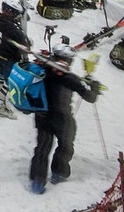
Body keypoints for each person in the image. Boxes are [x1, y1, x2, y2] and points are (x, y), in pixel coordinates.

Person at [28, 45, 102, 195]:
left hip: (42, 115)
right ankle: (59, 173)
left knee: (42, 148)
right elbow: (90, 97)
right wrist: (94, 87)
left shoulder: (43, 69)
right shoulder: (69, 78)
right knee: (66, 146)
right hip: (62, 118)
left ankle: (37, 180)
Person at [0, 0, 31, 119]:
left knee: (0, 74)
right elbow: (25, 46)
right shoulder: (13, 30)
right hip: (9, 58)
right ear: (10, 12)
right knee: (10, 81)